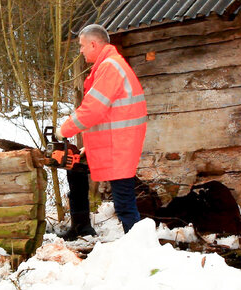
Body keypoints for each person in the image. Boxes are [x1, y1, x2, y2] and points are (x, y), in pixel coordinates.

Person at [57, 24, 147, 239]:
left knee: (124, 202)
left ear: (94, 44)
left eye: (82, 46)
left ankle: (140, 249)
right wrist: (91, 144)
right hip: (118, 142)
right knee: (124, 200)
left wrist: (64, 130)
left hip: (120, 145)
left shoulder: (110, 67)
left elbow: (92, 109)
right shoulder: (111, 65)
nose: (81, 51)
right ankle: (137, 246)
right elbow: (109, 112)